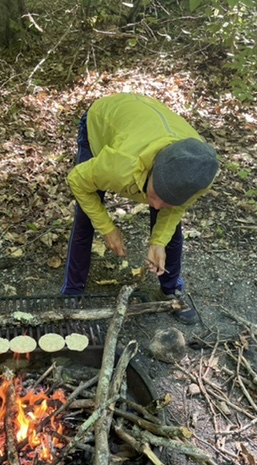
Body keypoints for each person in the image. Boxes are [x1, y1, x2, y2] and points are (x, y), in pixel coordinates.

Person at [60, 92, 219, 324]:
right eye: (154, 195)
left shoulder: (198, 175)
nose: (154, 205)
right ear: (152, 169)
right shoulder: (120, 163)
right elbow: (77, 181)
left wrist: (158, 242)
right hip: (102, 121)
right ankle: (72, 291)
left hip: (151, 127)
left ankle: (171, 290)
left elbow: (174, 210)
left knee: (170, 228)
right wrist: (107, 228)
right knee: (86, 217)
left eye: (165, 200)